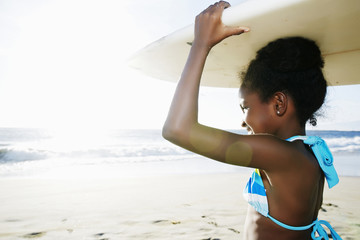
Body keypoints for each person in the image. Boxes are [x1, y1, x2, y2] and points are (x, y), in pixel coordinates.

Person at [162, 1, 342, 240]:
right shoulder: (308, 154)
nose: (242, 122)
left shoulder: (280, 154)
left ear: (279, 104)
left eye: (245, 107)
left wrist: (201, 45)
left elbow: (177, 129)